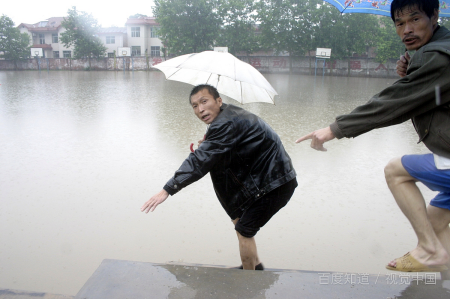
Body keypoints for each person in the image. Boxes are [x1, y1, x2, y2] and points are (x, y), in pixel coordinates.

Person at [296, 0, 450, 276]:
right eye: (399, 23)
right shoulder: (435, 51)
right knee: (436, 222)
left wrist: (334, 129)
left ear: (435, 15)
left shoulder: (437, 57)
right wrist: (413, 67)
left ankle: (429, 250)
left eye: (415, 19)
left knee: (396, 171)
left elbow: (394, 104)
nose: (407, 30)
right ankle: (444, 268)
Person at [141, 84, 297, 270]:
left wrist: (168, 189)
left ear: (219, 101)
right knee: (240, 222)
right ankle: (256, 268)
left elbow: (199, 161)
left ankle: (248, 283)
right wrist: (211, 141)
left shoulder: (225, 123)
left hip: (275, 183)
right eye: (195, 106)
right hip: (266, 178)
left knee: (244, 230)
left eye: (204, 101)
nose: (200, 109)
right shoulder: (228, 117)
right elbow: (230, 144)